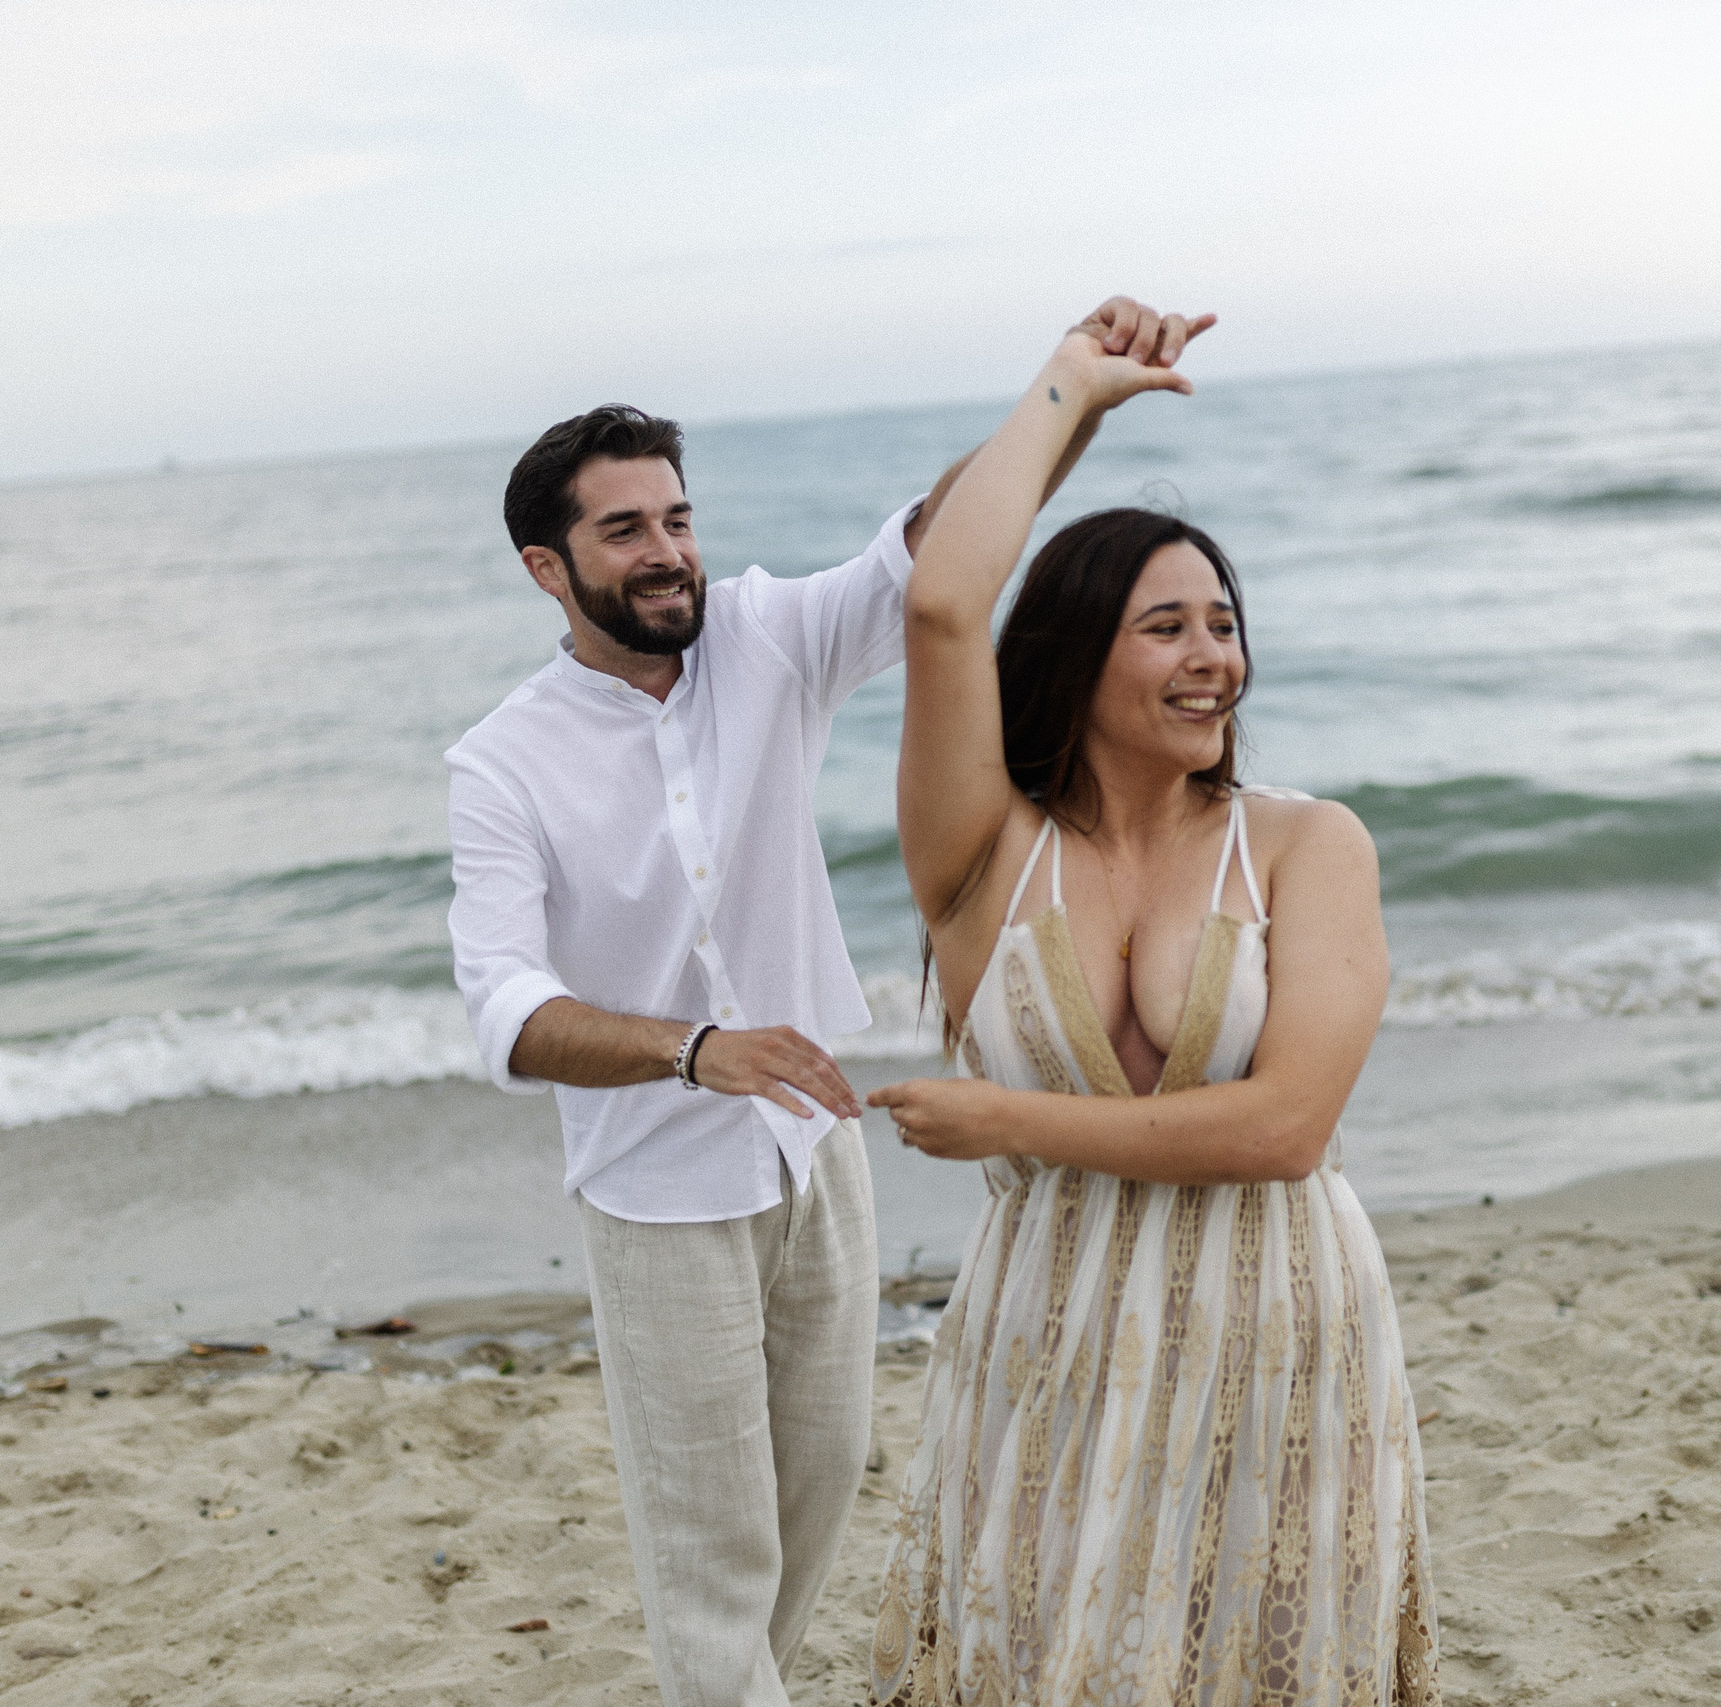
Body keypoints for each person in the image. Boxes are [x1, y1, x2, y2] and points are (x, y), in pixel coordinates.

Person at [441, 298, 1207, 1707]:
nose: (669, 551)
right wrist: (695, 1050)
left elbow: (937, 552)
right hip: (659, 1197)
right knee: (709, 1550)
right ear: (547, 567)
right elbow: (504, 1009)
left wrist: (1075, 396)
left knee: (808, 1513)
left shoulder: (765, 639)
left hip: (817, 1155)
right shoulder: (502, 764)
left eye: (676, 516)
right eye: (626, 531)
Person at [864, 320, 1443, 1702]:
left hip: (1275, 1312)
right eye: (1167, 627)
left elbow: (1287, 1127)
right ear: (1074, 655)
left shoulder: (1310, 847)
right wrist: (1071, 387)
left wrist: (1006, 1117)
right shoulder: (980, 856)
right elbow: (943, 605)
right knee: (1041, 1649)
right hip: (1048, 1319)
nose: (1213, 659)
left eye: (1227, 625)